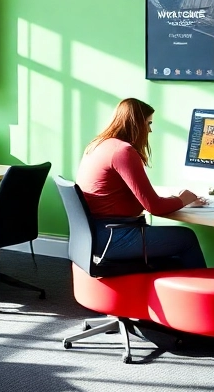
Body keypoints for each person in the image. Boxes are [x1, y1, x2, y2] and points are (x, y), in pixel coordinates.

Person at [74, 97, 207, 269]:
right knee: (186, 238)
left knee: (171, 245)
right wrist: (184, 199)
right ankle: (198, 294)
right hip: (114, 235)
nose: (150, 130)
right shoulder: (123, 152)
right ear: (137, 124)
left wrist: (175, 199)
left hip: (95, 233)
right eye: (148, 123)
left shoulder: (98, 145)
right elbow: (154, 207)